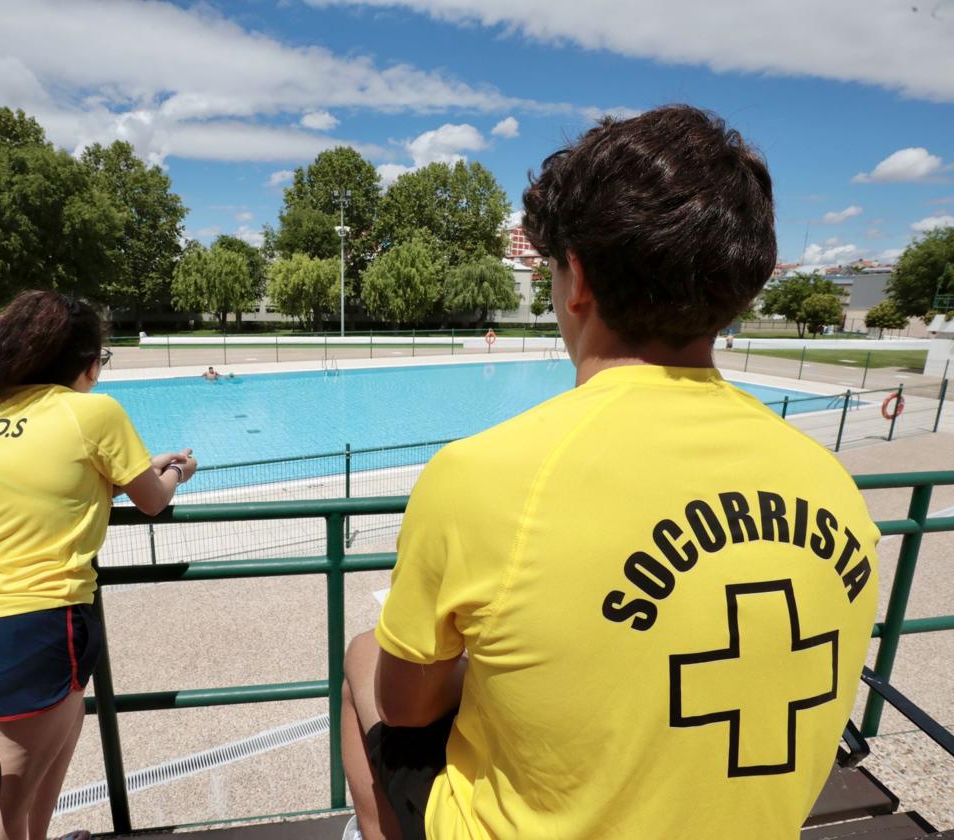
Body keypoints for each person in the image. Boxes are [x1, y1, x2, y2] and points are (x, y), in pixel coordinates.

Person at [340, 105, 879, 840]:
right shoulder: (831, 484)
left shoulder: (480, 477)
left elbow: (405, 708)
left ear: (579, 279)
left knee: (364, 653)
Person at [0, 290, 198, 840]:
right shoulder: (94, 411)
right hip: (33, 625)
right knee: (8, 803)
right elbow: (154, 501)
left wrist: (137, 467)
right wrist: (178, 471)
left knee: (57, 739)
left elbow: (57, 476)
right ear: (86, 360)